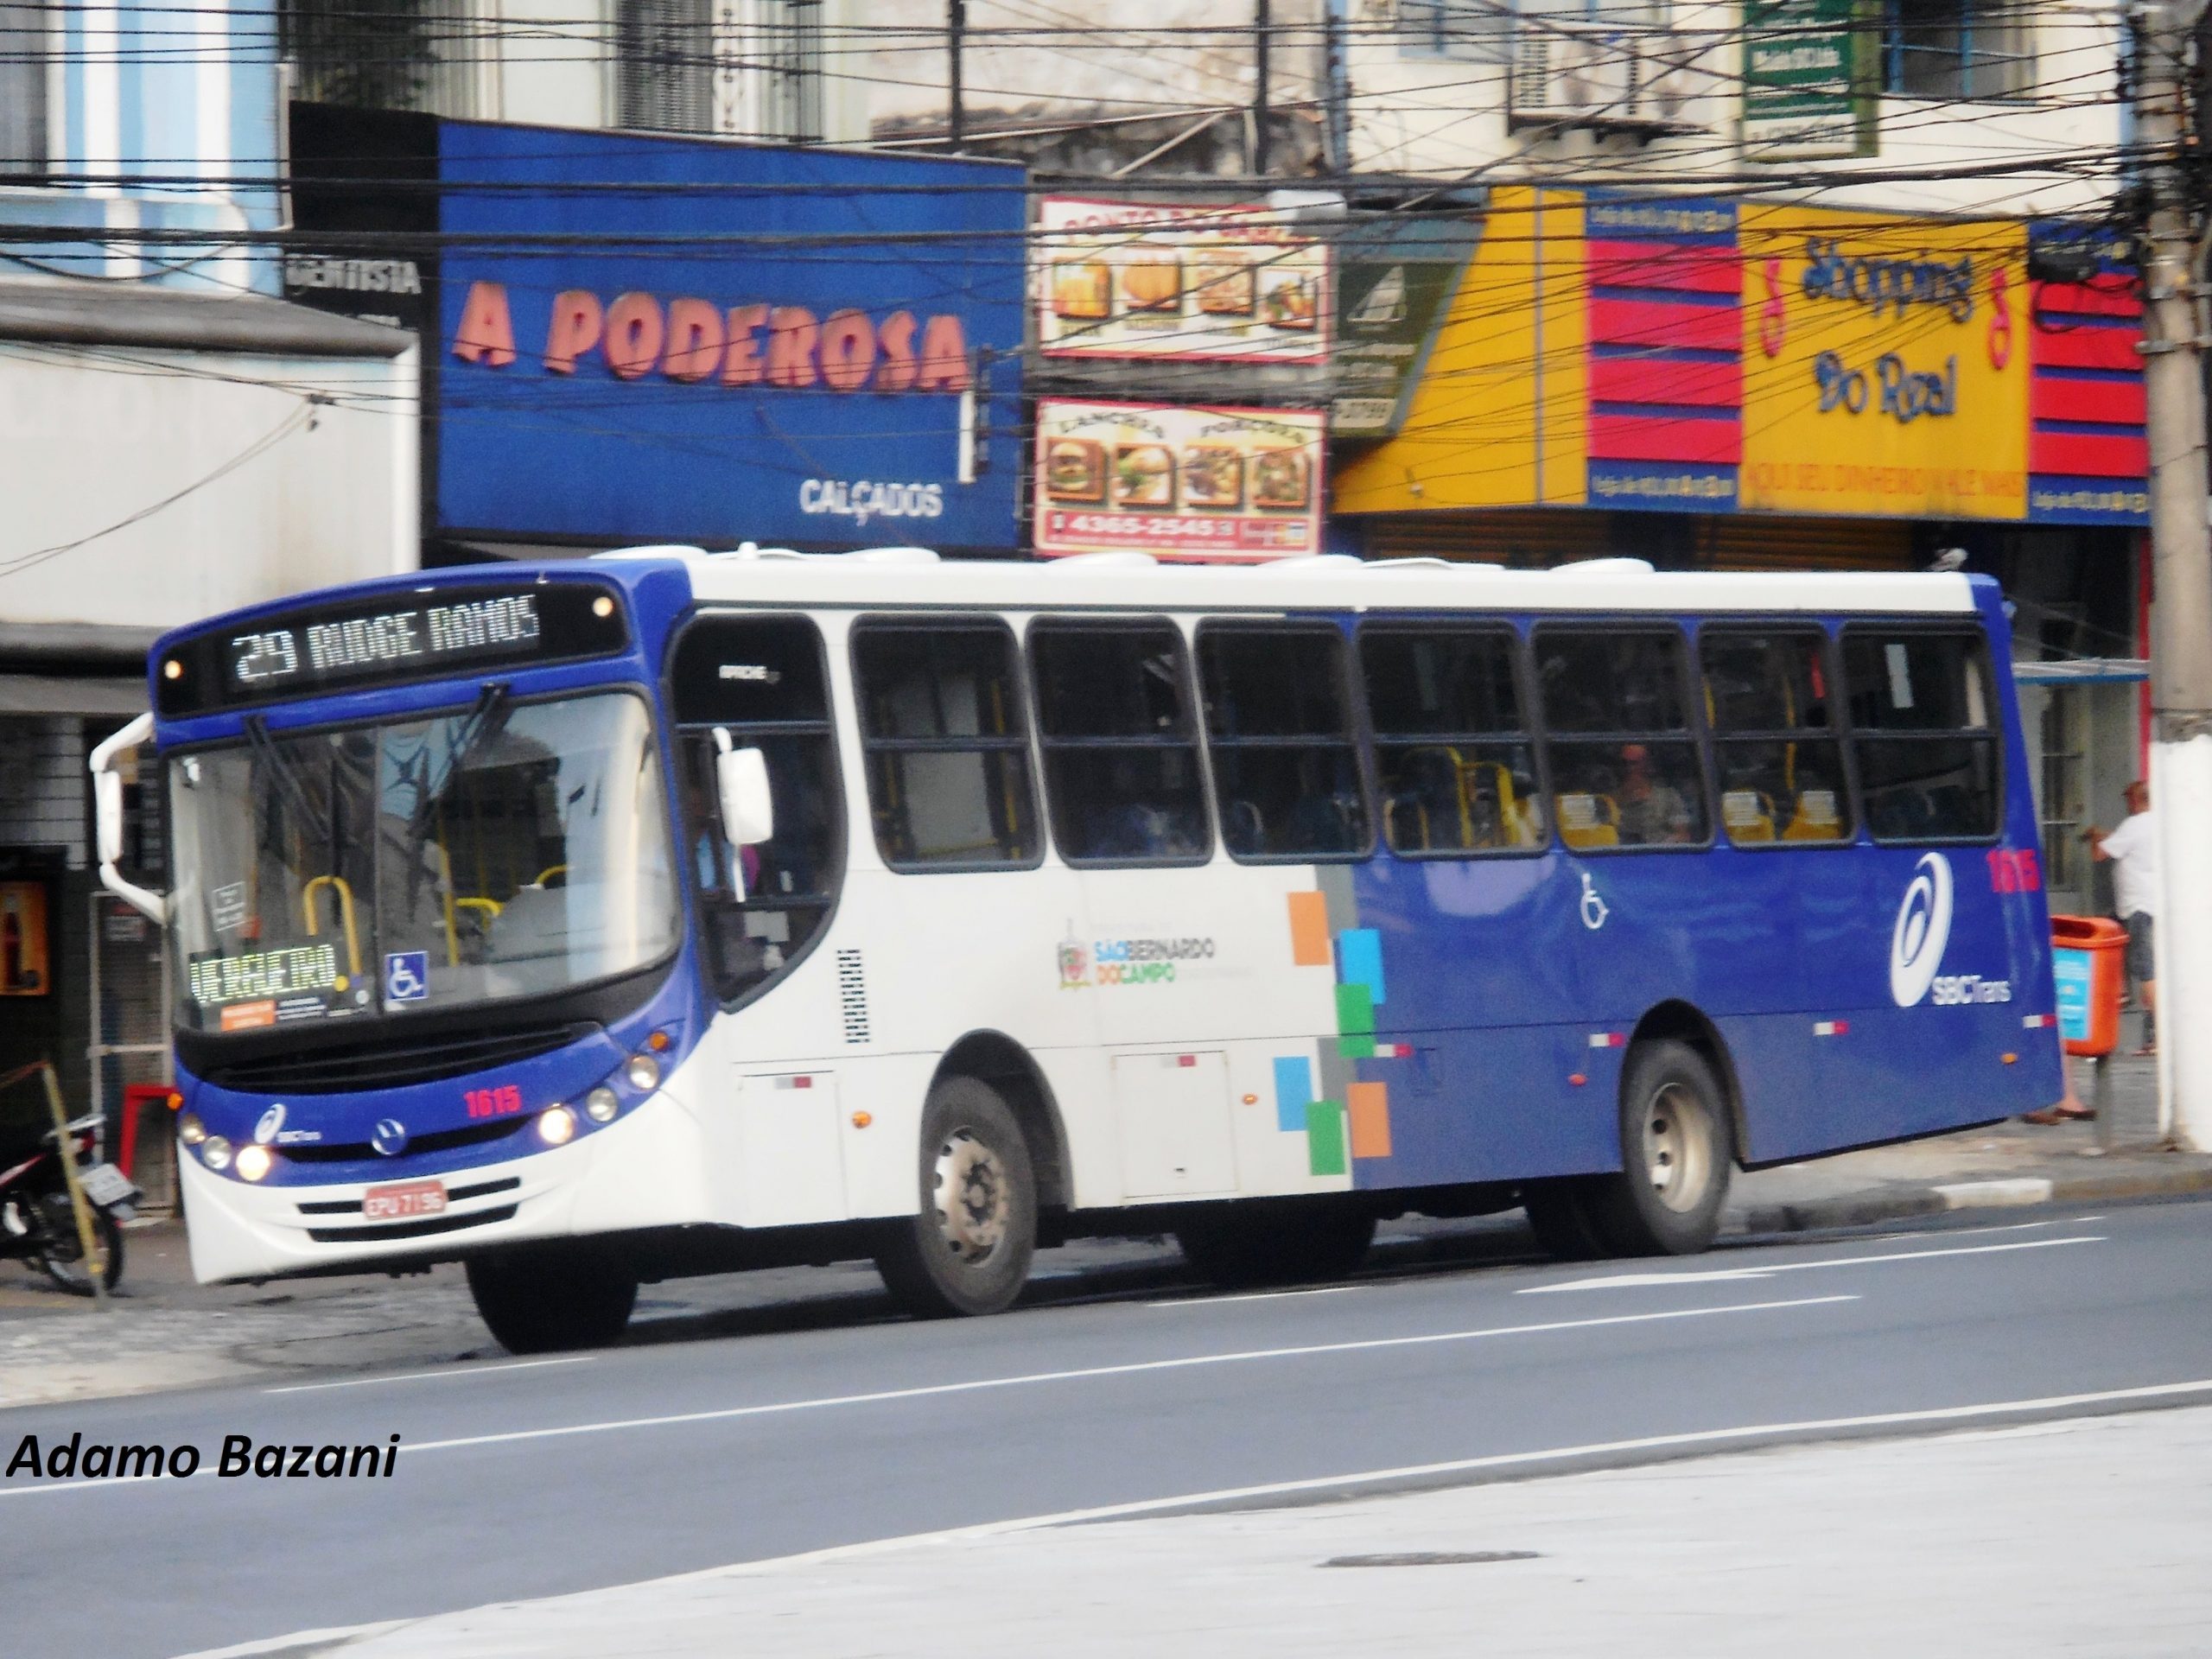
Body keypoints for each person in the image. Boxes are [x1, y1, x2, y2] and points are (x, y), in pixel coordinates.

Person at [2088, 779, 2158, 1057]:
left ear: (2136, 799)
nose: (2127, 804)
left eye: (2128, 799)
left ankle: (2160, 1035)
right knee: (2111, 928)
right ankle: (2121, 989)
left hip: (2139, 906)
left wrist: (2095, 837)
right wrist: (2108, 835)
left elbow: (2099, 855)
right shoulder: (2159, 823)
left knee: (2146, 969)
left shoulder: (2135, 825)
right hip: (2148, 905)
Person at [1615, 742, 1696, 845]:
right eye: (1624, 763)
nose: (1628, 768)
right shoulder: (1610, 799)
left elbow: (1682, 835)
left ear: (1646, 765)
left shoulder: (1668, 797)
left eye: (1634, 763)